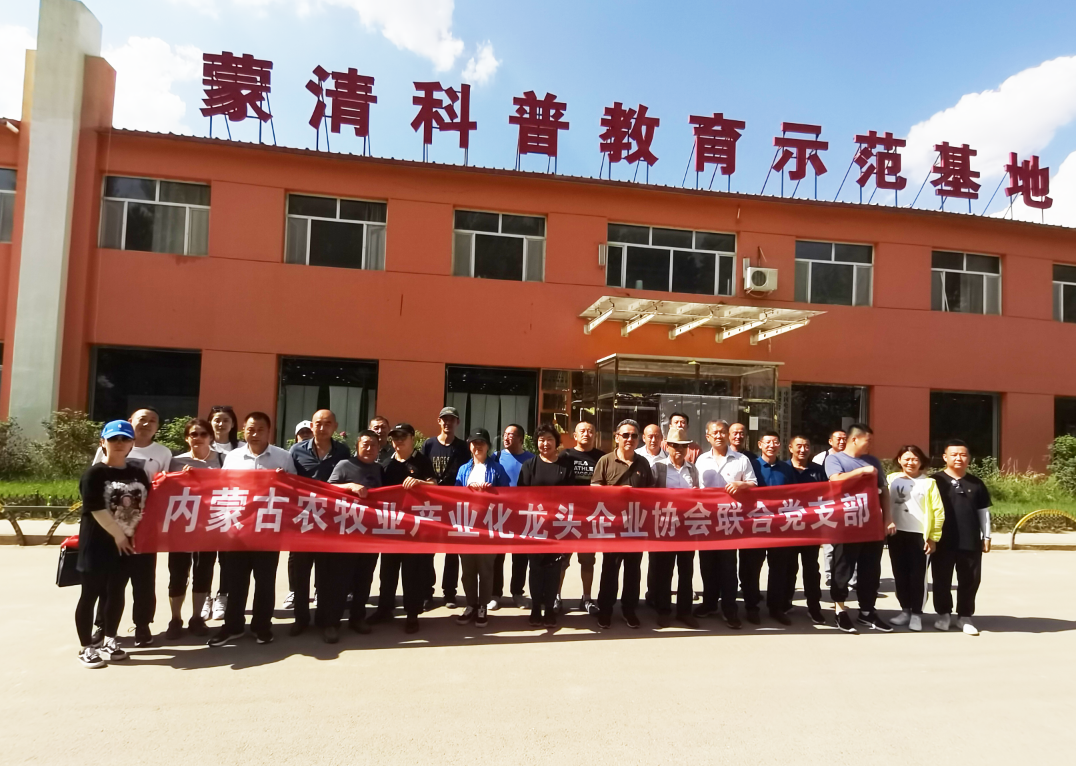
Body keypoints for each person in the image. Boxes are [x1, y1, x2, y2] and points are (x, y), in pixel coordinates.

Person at [209, 412, 297, 647]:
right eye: (250, 429)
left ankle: (262, 626)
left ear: (269, 431)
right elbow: (221, 489)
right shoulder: (233, 457)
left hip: (268, 529)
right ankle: (233, 626)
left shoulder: (283, 457)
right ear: (243, 430)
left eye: (260, 429)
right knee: (236, 581)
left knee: (265, 581)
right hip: (238, 530)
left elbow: (294, 491)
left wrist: (283, 481)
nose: (255, 434)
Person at [90, 407, 171, 648]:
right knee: (109, 583)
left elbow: (166, 486)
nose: (147, 423)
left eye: (153, 420)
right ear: (130, 422)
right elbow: (95, 488)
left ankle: (142, 625)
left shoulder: (162, 453)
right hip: (109, 531)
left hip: (144, 528)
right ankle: (103, 626)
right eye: (142, 419)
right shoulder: (105, 451)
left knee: (144, 580)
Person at [75, 420, 149, 667]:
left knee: (117, 592)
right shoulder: (95, 474)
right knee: (91, 594)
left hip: (126, 545)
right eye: (113, 438)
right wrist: (118, 535)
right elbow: (95, 508)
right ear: (102, 442)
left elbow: (148, 503)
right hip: (97, 544)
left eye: (125, 439)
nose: (119, 443)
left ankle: (110, 640)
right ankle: (87, 647)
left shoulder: (138, 473)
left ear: (132, 444)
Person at [825, 423, 895, 634]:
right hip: (846, 524)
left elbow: (883, 491)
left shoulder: (873, 461)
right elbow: (835, 481)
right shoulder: (835, 459)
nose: (870, 444)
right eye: (868, 440)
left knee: (870, 570)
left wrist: (887, 519)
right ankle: (840, 610)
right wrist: (861, 471)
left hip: (871, 524)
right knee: (843, 568)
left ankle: (867, 611)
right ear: (854, 439)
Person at [286, 410, 350, 636]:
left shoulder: (342, 451)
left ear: (335, 427)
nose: (322, 428)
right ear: (311, 426)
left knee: (328, 574)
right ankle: (301, 618)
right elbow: (288, 481)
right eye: (318, 424)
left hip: (330, 521)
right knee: (300, 573)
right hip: (302, 520)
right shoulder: (296, 451)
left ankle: (327, 621)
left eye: (327, 424)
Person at [591, 418, 656, 629]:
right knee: (610, 569)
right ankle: (605, 610)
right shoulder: (605, 461)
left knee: (633, 570)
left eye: (634, 435)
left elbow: (650, 493)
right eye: (625, 435)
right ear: (616, 437)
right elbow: (594, 490)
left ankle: (629, 609)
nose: (630, 439)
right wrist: (618, 492)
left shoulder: (643, 463)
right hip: (612, 527)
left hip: (636, 526)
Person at [323, 430, 385, 643]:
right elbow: (328, 489)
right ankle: (331, 623)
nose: (369, 448)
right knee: (339, 580)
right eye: (365, 444)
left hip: (370, 534)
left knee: (364, 578)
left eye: (373, 445)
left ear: (379, 448)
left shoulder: (379, 469)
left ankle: (357, 618)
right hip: (345, 534)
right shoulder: (344, 465)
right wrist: (349, 486)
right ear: (357, 446)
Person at [694, 420, 756, 629]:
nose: (719, 436)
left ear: (728, 435)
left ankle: (730, 609)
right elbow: (695, 488)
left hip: (730, 522)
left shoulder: (741, 459)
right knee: (707, 566)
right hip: (706, 521)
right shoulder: (701, 460)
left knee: (728, 567)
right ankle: (709, 603)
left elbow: (754, 483)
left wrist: (742, 484)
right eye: (715, 433)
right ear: (708, 437)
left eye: (722, 432)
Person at [165, 418, 223, 640]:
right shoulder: (175, 462)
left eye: (203, 434)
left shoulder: (222, 460)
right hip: (181, 525)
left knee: (203, 572)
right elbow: (163, 488)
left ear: (211, 437)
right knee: (178, 573)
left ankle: (197, 617)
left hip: (209, 525)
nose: (198, 438)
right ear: (186, 438)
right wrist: (181, 478)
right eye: (193, 434)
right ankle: (175, 619)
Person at [380, 423, 438, 634]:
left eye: (402, 437)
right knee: (387, 571)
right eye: (395, 438)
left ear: (412, 438)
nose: (398, 441)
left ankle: (412, 614)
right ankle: (384, 609)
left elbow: (435, 486)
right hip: (391, 527)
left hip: (415, 528)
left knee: (412, 573)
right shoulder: (386, 464)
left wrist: (420, 483)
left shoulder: (422, 461)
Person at [931, 440, 992, 636]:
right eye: (954, 454)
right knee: (941, 579)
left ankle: (964, 616)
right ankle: (943, 614)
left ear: (969, 458)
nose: (959, 458)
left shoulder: (976, 483)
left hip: (970, 540)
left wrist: (987, 535)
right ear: (945, 457)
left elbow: (984, 511)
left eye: (963, 454)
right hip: (942, 540)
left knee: (970, 579)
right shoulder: (934, 481)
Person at [517, 423, 573, 628]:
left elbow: (572, 498)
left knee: (553, 569)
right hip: (535, 525)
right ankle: (535, 608)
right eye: (541, 440)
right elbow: (521, 495)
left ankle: (549, 609)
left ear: (556, 442)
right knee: (535, 569)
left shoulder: (566, 466)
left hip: (558, 526)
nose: (545, 443)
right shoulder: (529, 466)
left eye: (549, 439)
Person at [454, 429, 511, 629]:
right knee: (468, 570)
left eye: (482, 443)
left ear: (488, 446)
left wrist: (492, 491)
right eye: (474, 443)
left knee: (486, 569)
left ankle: (483, 606)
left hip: (489, 527)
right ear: (469, 446)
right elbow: (454, 494)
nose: (478, 446)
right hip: (466, 527)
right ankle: (471, 604)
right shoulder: (463, 469)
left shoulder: (497, 469)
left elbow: (508, 495)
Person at [887, 445, 945, 632]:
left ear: (921, 462)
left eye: (914, 459)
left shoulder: (928, 483)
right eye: (906, 458)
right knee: (900, 574)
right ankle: (905, 610)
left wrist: (933, 537)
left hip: (919, 536)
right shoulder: (891, 479)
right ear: (899, 460)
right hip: (896, 534)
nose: (910, 462)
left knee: (917, 576)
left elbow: (938, 512)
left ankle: (917, 614)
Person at [744, 431, 798, 625]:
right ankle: (751, 607)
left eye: (775, 442)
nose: (771, 445)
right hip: (754, 526)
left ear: (780, 446)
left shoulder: (787, 469)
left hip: (779, 527)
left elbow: (796, 494)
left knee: (779, 570)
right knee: (751, 570)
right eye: (767, 442)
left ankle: (776, 608)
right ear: (760, 445)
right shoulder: (751, 465)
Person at [650, 426, 700, 629]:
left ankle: (685, 611)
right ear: (667, 446)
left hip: (687, 526)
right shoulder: (658, 467)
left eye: (683, 446)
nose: (679, 449)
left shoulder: (692, 469)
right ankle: (663, 610)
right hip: (665, 525)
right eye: (674, 445)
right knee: (664, 570)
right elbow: (649, 495)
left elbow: (698, 496)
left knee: (686, 570)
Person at [422, 406, 470, 608]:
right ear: (439, 421)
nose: (448, 423)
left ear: (457, 422)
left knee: (452, 551)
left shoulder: (463, 447)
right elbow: (422, 469)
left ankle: (449, 593)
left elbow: (469, 471)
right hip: (431, 504)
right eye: (444, 419)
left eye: (452, 419)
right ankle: (427, 592)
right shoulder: (429, 444)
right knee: (428, 550)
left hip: (454, 505)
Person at [559, 420, 604, 614]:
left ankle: (586, 598)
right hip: (567, 517)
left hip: (590, 518)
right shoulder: (565, 456)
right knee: (561, 560)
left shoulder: (602, 457)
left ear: (595, 435)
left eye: (590, 431)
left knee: (587, 560)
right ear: (575, 435)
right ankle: (556, 597)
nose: (586, 434)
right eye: (582, 431)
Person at [783, 435, 828, 624]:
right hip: (788, 527)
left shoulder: (818, 470)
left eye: (806, 446)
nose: (803, 450)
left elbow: (827, 495)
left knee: (811, 569)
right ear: (790, 448)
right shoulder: (783, 469)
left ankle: (814, 607)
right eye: (799, 446)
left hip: (811, 528)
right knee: (788, 568)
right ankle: (785, 603)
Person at [204, 405, 243, 623]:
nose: (221, 424)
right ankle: (205, 597)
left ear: (233, 424)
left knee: (227, 559)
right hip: (206, 511)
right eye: (217, 420)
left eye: (226, 420)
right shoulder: (202, 444)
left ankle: (223, 596)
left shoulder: (241, 448)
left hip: (233, 510)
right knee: (204, 558)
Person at [492, 424, 535, 609]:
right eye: (505, 434)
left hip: (522, 514)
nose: (506, 437)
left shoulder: (531, 459)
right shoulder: (496, 457)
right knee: (497, 556)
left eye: (511, 434)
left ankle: (517, 593)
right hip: (500, 514)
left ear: (520, 439)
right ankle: (495, 594)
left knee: (520, 557)